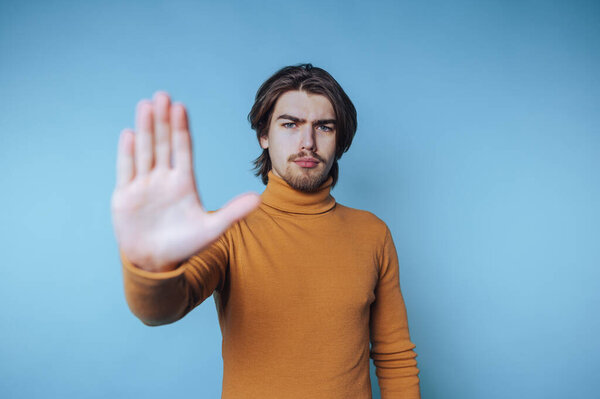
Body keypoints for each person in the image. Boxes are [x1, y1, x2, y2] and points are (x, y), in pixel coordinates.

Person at [111, 64, 421, 398]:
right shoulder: (227, 231)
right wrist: (151, 265)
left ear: (339, 139)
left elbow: (395, 358)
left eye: (324, 127)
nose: (308, 142)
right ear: (264, 135)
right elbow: (161, 310)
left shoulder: (373, 233)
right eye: (290, 124)